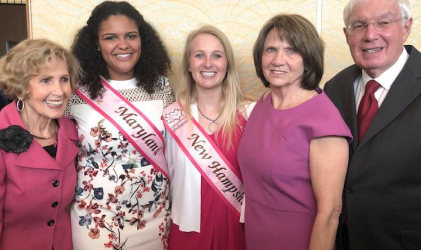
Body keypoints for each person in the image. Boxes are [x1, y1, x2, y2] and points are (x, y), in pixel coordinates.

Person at [323, 0, 421, 249]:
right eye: (359, 25)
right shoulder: (334, 88)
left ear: (406, 27)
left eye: (384, 22)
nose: (370, 35)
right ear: (346, 34)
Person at [237, 14, 352, 250]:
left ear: (308, 61)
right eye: (271, 49)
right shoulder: (263, 102)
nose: (278, 60)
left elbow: (330, 213)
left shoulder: (324, 121)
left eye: (291, 51)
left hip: (297, 240)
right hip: (256, 236)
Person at [67, 1, 174, 249]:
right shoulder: (75, 93)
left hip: (154, 219)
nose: (123, 45)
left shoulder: (162, 88)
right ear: (96, 42)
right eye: (110, 37)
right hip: (96, 221)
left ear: (142, 40)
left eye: (131, 36)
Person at [0, 38, 81, 250]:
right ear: (19, 88)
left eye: (64, 79)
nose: (60, 91)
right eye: (46, 80)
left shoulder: (73, 131)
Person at [163, 25, 254, 250]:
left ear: (227, 64)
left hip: (238, 230)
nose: (208, 64)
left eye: (217, 56)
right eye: (199, 55)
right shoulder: (172, 117)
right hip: (188, 232)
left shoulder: (251, 114)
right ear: (188, 64)